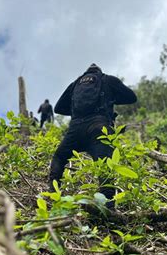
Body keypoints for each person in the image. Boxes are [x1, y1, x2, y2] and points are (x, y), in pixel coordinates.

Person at [48, 63, 137, 207]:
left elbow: (58, 108)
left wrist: (76, 112)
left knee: (59, 156)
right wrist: (111, 98)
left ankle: (52, 193)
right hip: (99, 127)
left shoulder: (74, 84)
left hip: (75, 129)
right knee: (104, 165)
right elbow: (131, 97)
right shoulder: (108, 80)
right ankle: (107, 207)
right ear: (99, 71)